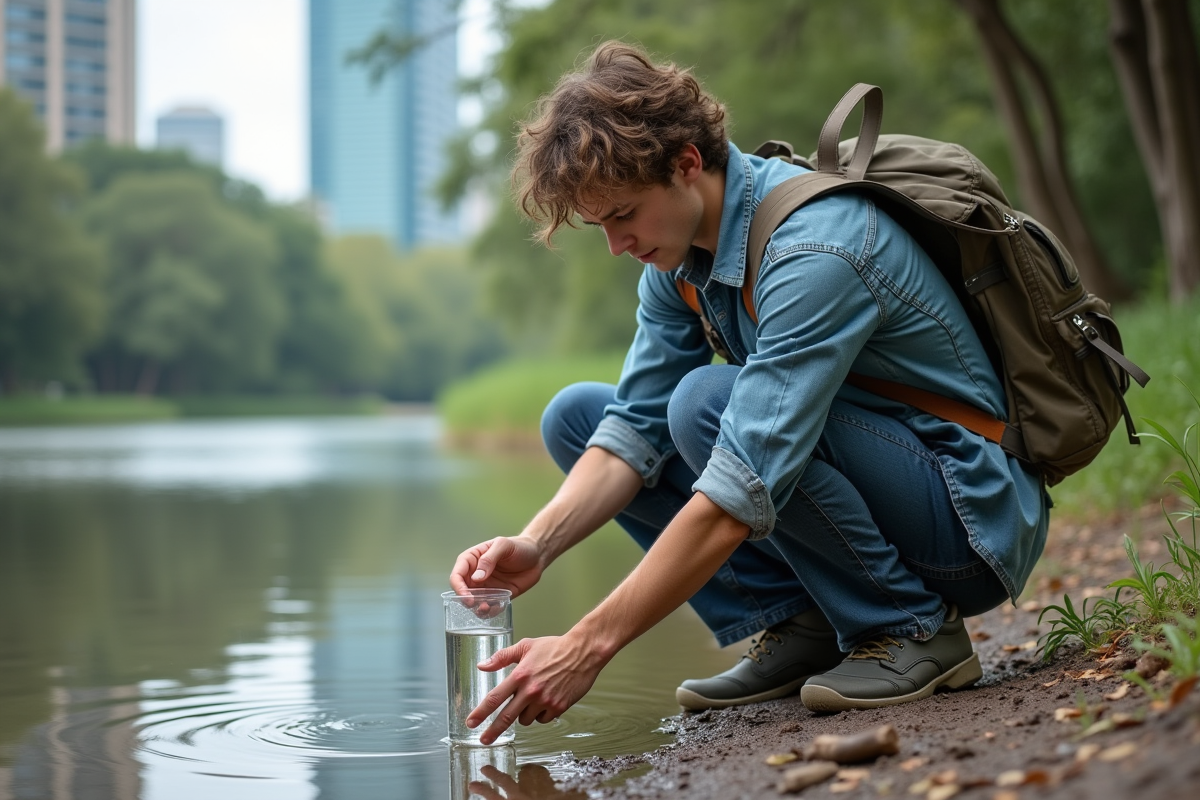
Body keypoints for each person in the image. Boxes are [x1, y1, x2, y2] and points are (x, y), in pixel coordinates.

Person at [449, 41, 1049, 745]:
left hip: (967, 519)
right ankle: (805, 624)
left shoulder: (814, 249)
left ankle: (910, 629)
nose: (616, 244)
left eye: (623, 214)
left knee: (705, 404)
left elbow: (742, 481)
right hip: (889, 486)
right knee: (578, 418)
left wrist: (586, 646)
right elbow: (631, 431)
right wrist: (537, 543)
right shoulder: (678, 262)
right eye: (600, 224)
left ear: (687, 164)